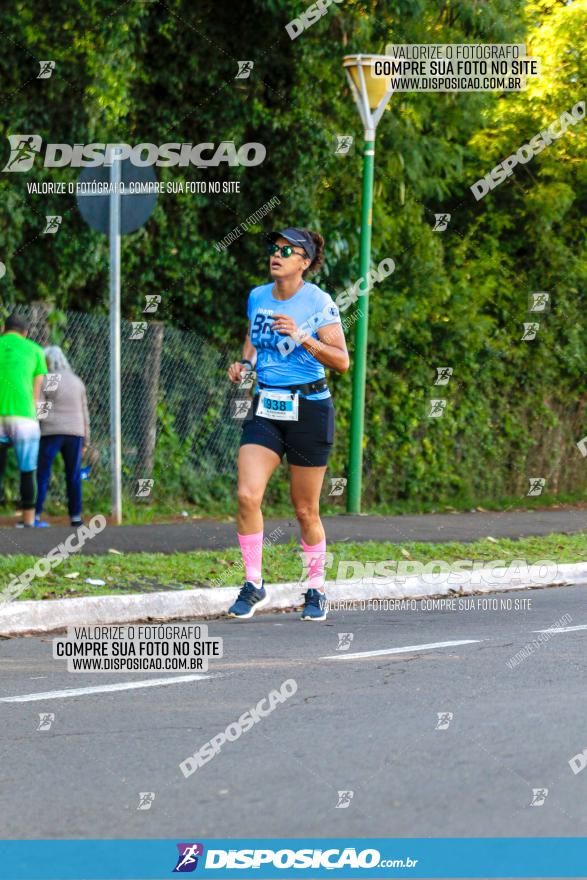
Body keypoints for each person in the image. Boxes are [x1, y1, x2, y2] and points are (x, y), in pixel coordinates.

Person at [226, 227, 349, 621]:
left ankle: (315, 588)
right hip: (267, 406)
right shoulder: (258, 296)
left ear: (305, 262)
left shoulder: (318, 301)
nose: (276, 254)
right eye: (274, 248)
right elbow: (253, 334)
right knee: (247, 495)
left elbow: (341, 360)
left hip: (310, 409)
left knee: (305, 510)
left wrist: (303, 337)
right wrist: (246, 363)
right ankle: (254, 583)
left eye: (288, 250)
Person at [34, 346, 90, 527]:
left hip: (51, 432)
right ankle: (75, 516)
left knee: (43, 473)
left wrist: (39, 425)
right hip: (76, 433)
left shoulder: (50, 379)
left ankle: (35, 514)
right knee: (73, 475)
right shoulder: (77, 381)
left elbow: (41, 407)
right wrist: (86, 440)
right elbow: (84, 412)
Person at [0, 313, 47, 528]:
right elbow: (36, 392)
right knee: (28, 470)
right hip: (24, 416)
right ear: (25, 333)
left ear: (3, 329)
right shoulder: (36, 350)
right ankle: (28, 521)